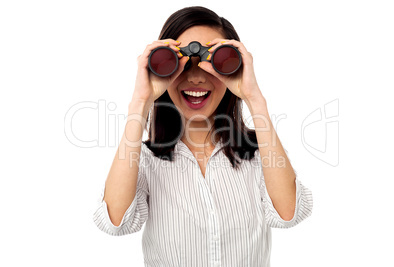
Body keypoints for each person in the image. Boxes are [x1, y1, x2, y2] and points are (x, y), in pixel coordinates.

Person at [93, 6, 313, 267]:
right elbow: (115, 221)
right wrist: (141, 100)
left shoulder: (259, 152)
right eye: (181, 64)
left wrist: (254, 98)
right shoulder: (145, 160)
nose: (196, 77)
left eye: (213, 64)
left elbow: (289, 213)